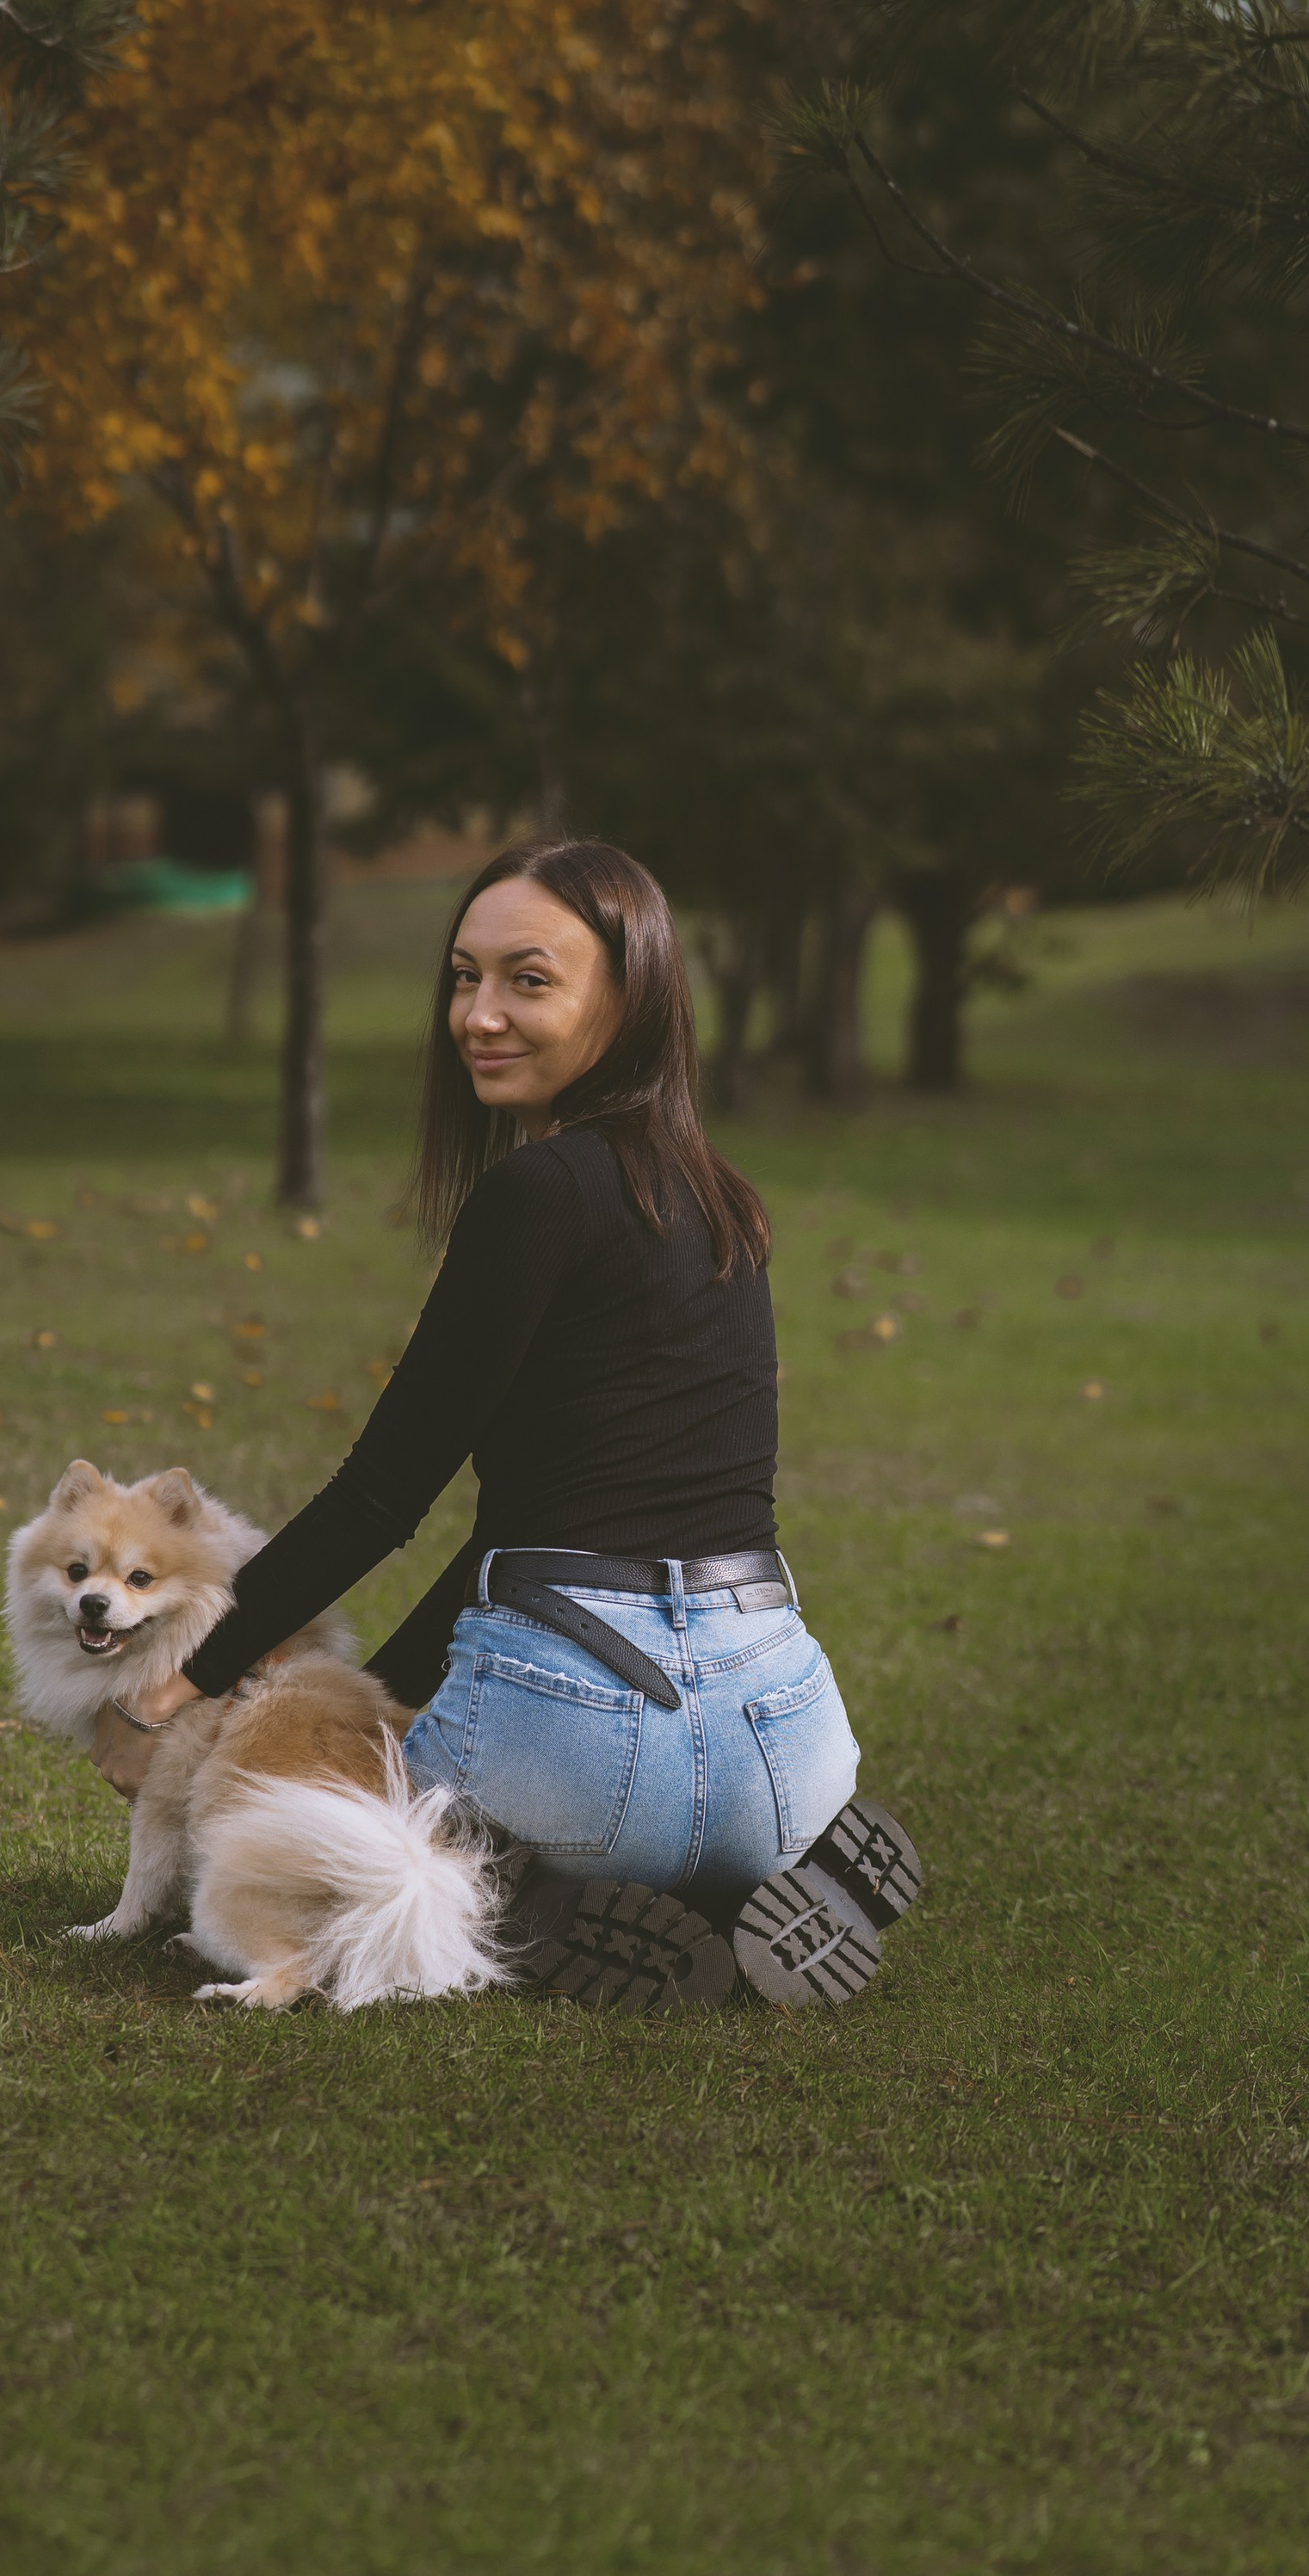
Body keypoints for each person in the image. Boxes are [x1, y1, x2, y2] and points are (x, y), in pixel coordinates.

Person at [92, 838, 920, 2011]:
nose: (479, 1016)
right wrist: (373, 1696)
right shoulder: (722, 1197)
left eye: (528, 980)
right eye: (462, 978)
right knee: (561, 1760)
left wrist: (176, 1693)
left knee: (356, 1833)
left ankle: (527, 1899)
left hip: (584, 1747)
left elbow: (384, 1495)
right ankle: (741, 1883)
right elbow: (529, 1529)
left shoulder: (538, 1193)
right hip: (787, 1735)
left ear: (630, 1001)